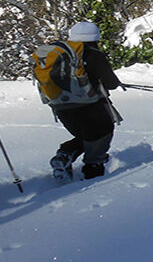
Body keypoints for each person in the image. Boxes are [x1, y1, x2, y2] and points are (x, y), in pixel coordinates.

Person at [49, 21, 124, 181]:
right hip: (90, 106)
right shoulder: (93, 54)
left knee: (87, 136)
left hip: (60, 106)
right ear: (95, 37)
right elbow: (110, 82)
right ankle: (93, 173)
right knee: (102, 134)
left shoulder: (59, 53)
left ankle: (64, 155)